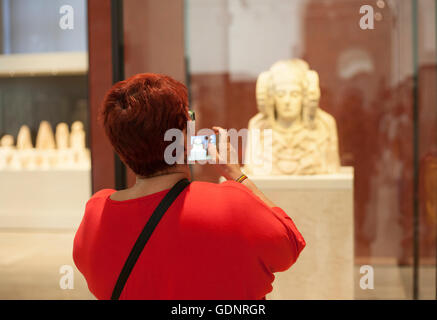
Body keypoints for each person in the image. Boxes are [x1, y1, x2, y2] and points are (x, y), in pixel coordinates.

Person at [73, 73, 305, 300]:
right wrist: (236, 175)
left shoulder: (96, 214)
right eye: (188, 119)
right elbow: (290, 244)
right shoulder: (232, 205)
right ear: (183, 138)